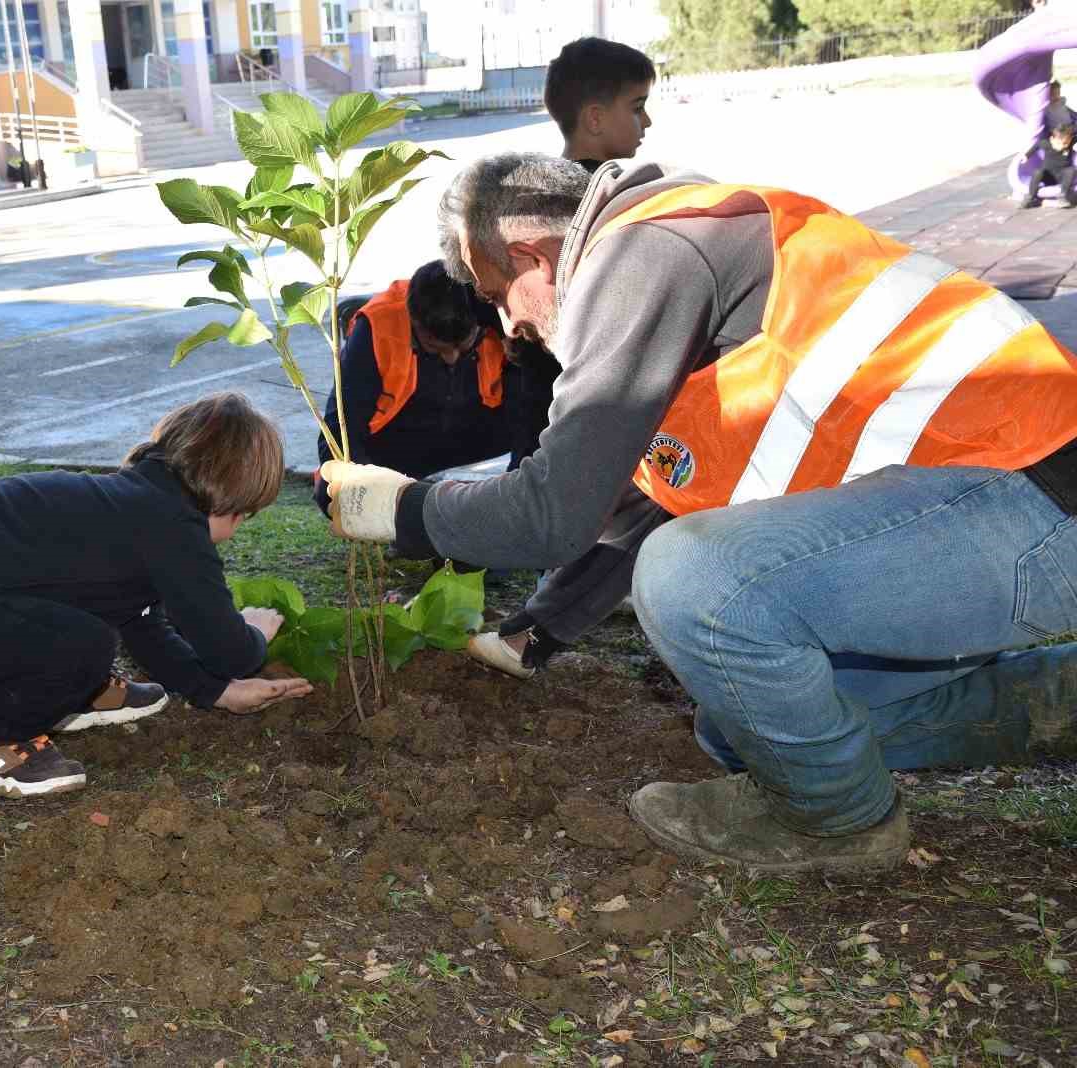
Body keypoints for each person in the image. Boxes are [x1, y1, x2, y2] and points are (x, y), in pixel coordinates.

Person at [322, 151, 1077, 873]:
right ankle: (1047, 699)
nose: (509, 326)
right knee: (748, 726)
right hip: (985, 512)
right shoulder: (683, 265)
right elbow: (652, 493)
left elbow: (554, 512)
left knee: (693, 573)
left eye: (496, 296)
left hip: (1035, 495)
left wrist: (400, 506)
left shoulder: (642, 250)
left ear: (532, 258)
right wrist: (538, 631)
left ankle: (840, 824)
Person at [0, 393, 313, 798]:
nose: (235, 532)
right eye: (243, 517)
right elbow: (226, 648)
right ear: (231, 502)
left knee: (91, 621)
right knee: (84, 645)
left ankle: (81, 690)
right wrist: (253, 634)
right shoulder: (175, 531)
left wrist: (214, 692)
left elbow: (142, 622)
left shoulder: (138, 503)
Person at [465, 37, 663, 680]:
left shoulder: (611, 214)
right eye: (637, 106)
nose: (647, 122)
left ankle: (540, 623)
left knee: (648, 487)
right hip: (576, 402)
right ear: (596, 115)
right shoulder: (569, 219)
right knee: (617, 488)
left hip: (588, 410)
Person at [311, 261, 554, 518]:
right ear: (413, 321)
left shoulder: (499, 313)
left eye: (463, 346)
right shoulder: (377, 325)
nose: (451, 358)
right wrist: (359, 491)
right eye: (433, 347)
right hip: (401, 442)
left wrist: (517, 497)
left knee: (539, 425)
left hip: (476, 431)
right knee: (330, 491)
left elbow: (532, 409)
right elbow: (341, 427)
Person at [543, 37, 656, 172]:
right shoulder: (615, 190)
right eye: (637, 108)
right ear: (595, 119)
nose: (647, 122)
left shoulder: (547, 185)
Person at [1022, 120, 1077, 208]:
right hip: (1047, 176)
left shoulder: (1069, 143)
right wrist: (1026, 156)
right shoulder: (1046, 144)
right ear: (1052, 139)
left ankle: (1063, 196)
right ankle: (1031, 197)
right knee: (1037, 172)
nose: (1063, 146)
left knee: (1071, 170)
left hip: (1062, 177)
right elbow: (1036, 145)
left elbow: (1074, 135)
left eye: (1066, 143)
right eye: (1059, 143)